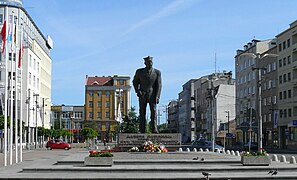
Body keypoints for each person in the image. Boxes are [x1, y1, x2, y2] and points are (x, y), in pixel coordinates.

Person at [133, 56, 162, 133]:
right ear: (145, 63)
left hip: (152, 95)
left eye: (151, 62)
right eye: (148, 62)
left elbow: (159, 85)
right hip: (142, 95)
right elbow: (135, 82)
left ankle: (154, 129)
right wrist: (137, 91)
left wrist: (157, 96)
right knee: (142, 113)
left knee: (154, 112)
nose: (150, 64)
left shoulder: (157, 72)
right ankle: (142, 129)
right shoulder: (139, 72)